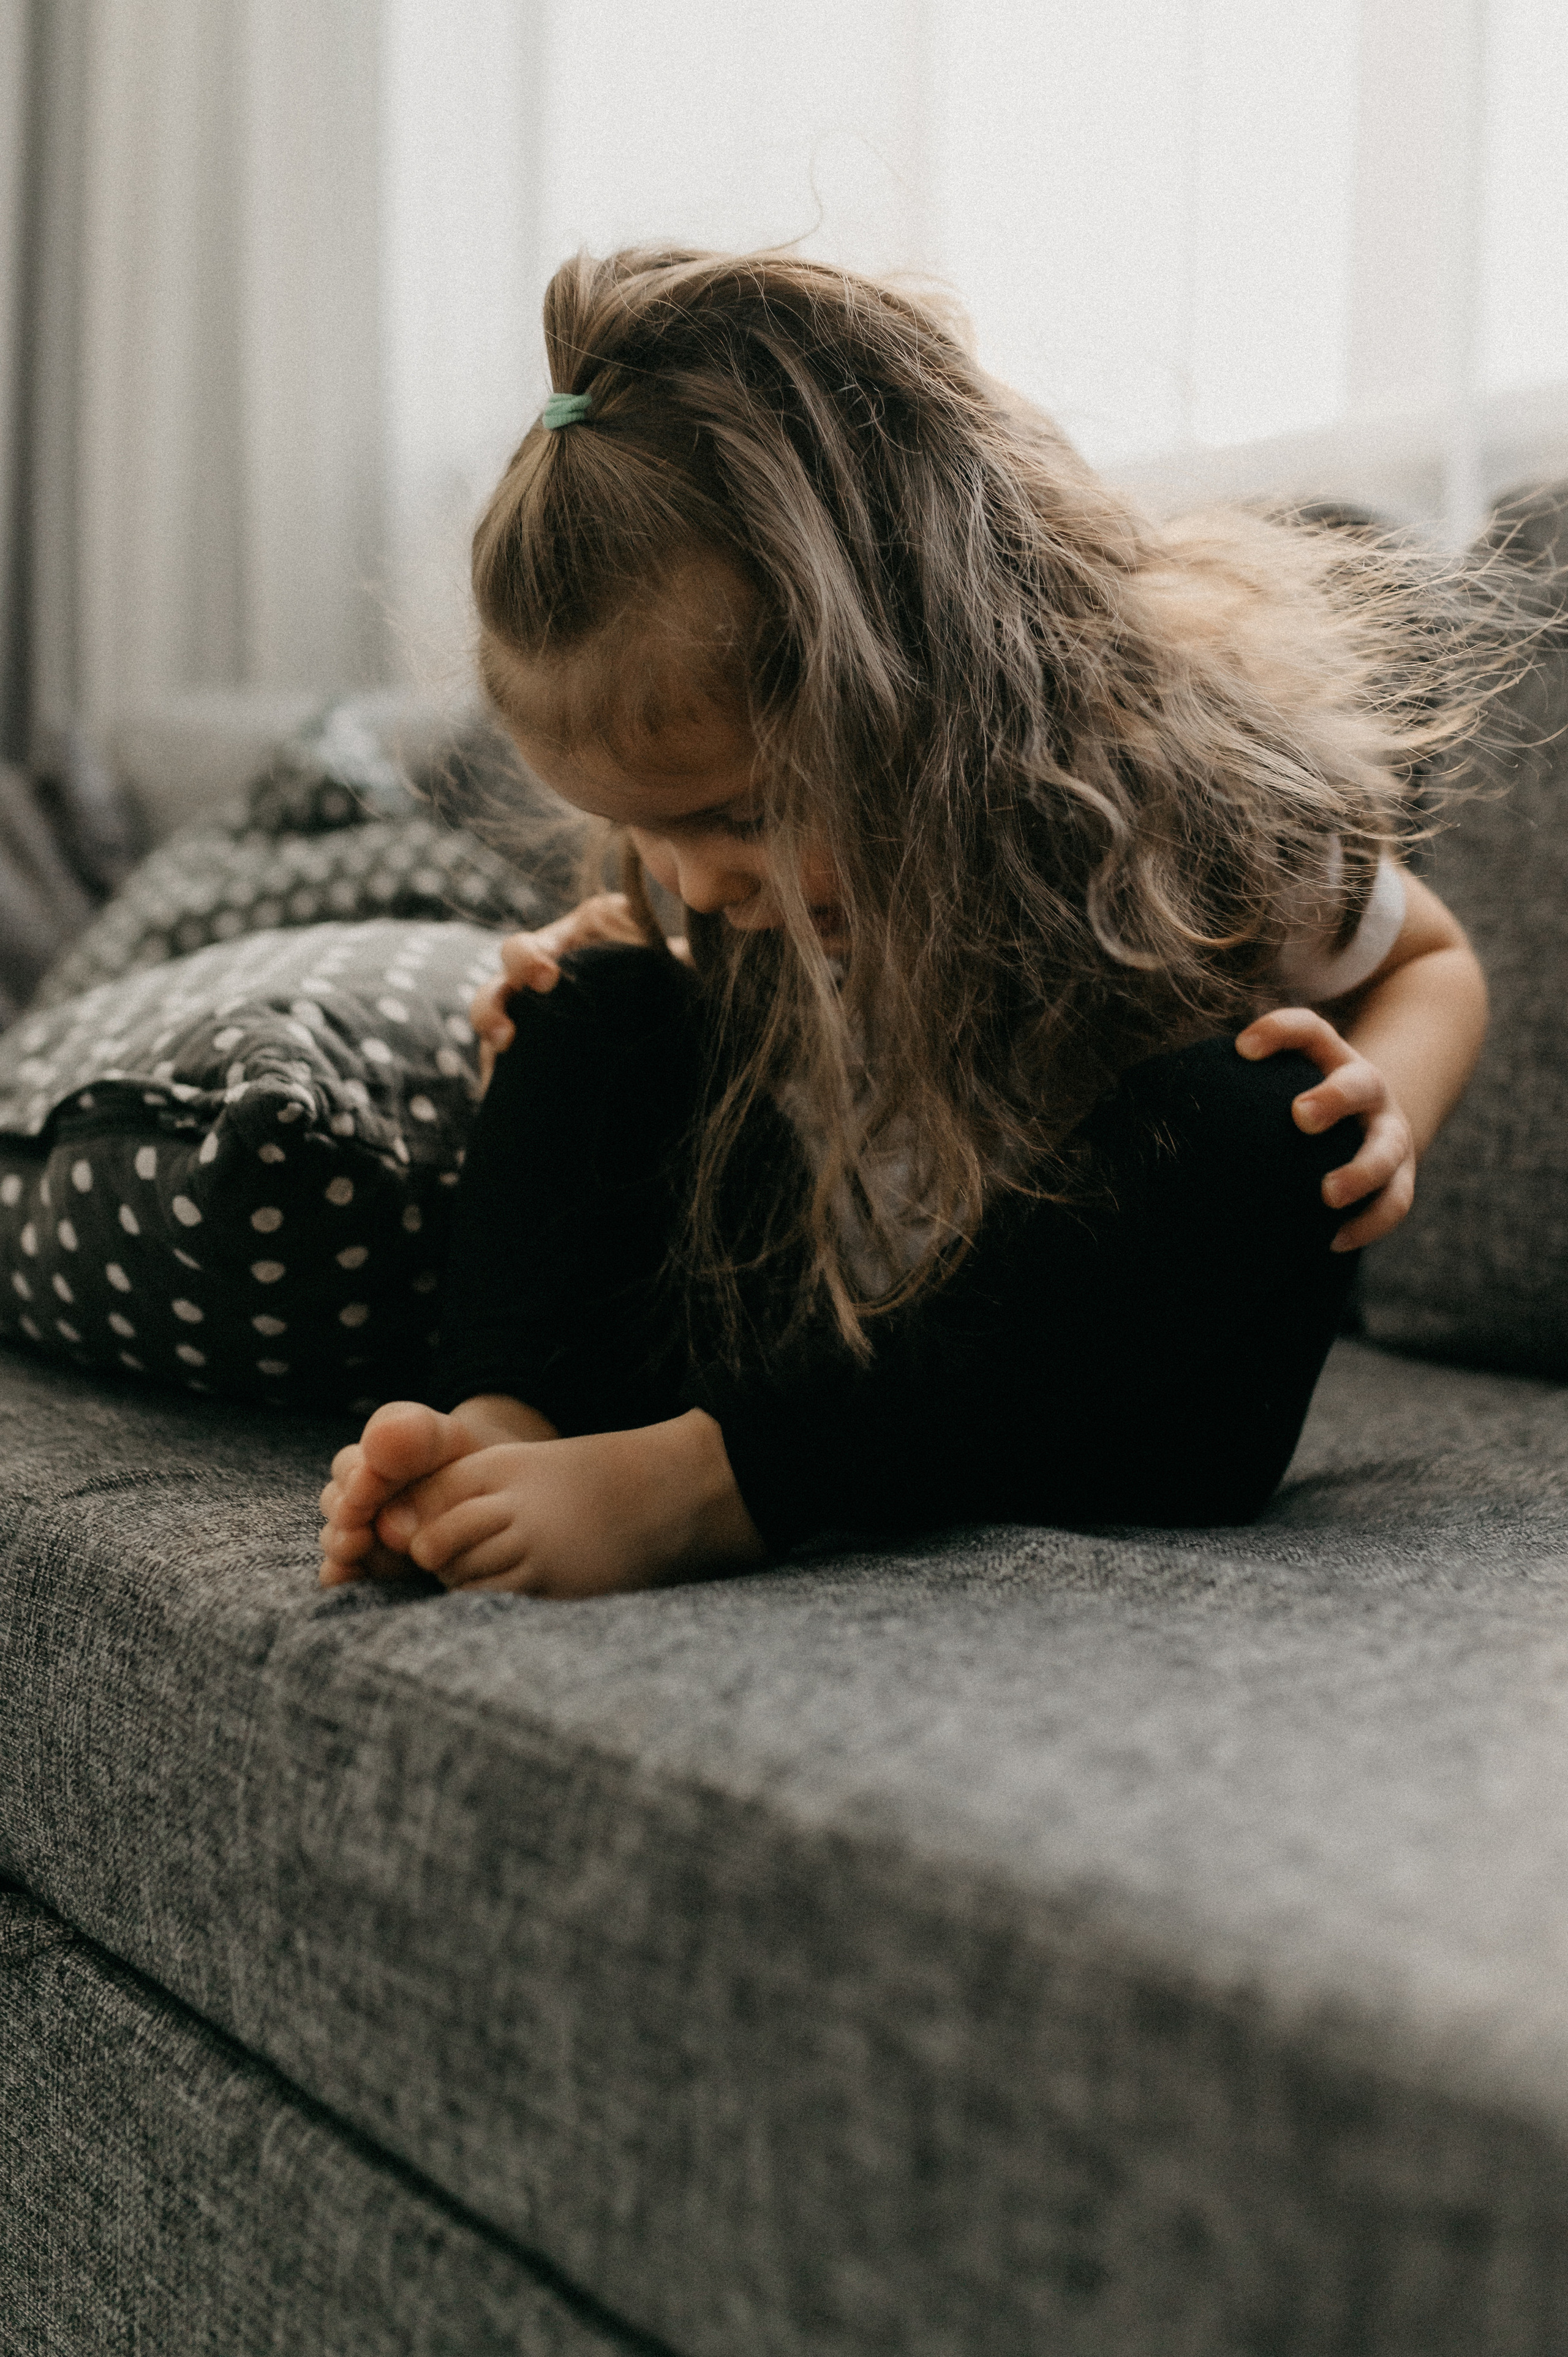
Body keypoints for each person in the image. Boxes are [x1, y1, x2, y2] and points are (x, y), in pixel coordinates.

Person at [317, 248, 1490, 1600]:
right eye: (646, 832)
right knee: (589, 1003)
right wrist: (609, 1000)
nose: (695, 880)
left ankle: (709, 1488)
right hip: (781, 1334)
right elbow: (703, 1035)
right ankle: (504, 1423)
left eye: (738, 817)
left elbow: (1433, 959)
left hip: (1093, 1414)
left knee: (1263, 1118)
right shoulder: (735, 894)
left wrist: (1381, 1107)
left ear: (934, 687)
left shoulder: (1183, 823)